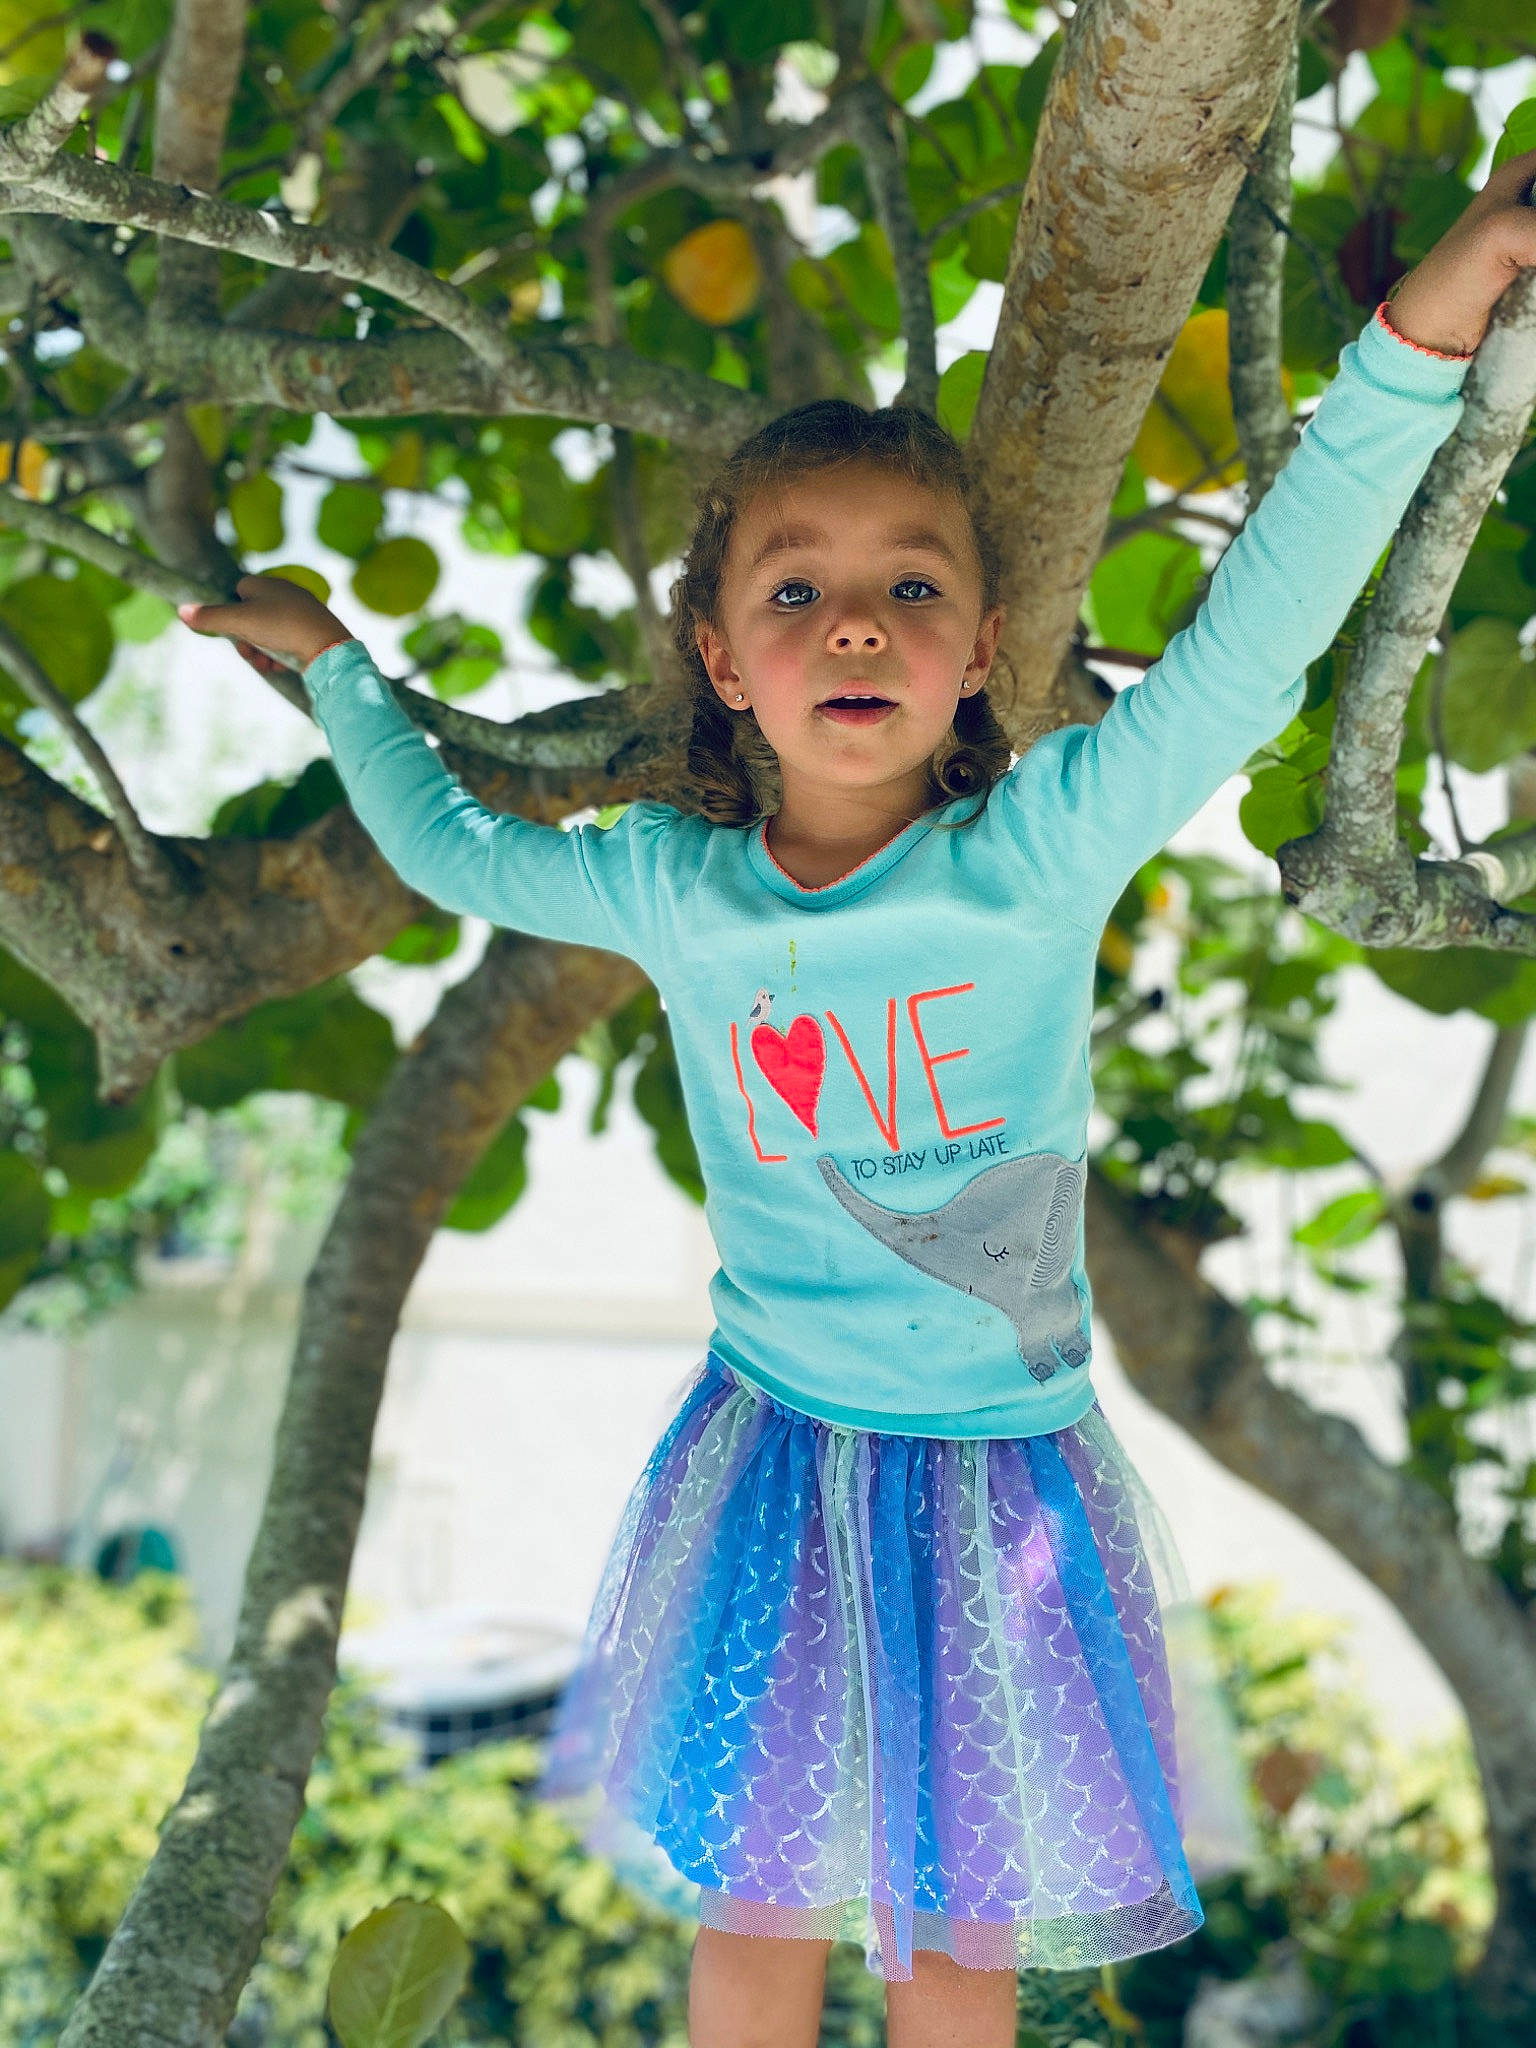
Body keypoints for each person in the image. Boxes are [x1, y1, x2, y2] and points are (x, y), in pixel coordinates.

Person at [181, 148, 1536, 2048]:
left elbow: (1258, 639)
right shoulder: (672, 886)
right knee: (753, 1917)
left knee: (950, 1942)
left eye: (913, 587)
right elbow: (463, 852)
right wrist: (340, 671)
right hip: (778, 1460)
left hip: (1002, 1486)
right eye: (796, 589)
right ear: (721, 663)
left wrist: (1427, 325)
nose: (856, 624)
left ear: (984, 653)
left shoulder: (1041, 850)